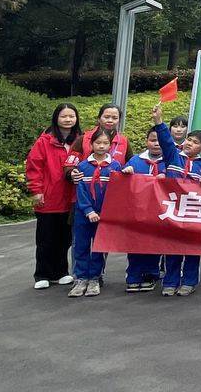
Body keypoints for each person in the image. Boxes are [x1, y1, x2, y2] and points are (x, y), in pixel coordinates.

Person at [152, 104, 201, 297]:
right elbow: (166, 141)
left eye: (195, 142)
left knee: (192, 250)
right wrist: (159, 121)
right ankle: (170, 281)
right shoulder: (173, 157)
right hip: (172, 211)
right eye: (188, 139)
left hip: (194, 213)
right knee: (172, 249)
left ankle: (189, 281)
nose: (189, 143)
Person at [25, 103, 81, 290]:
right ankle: (42, 273)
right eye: (64, 116)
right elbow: (34, 167)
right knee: (46, 238)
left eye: (71, 116)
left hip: (70, 198)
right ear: (56, 118)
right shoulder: (44, 141)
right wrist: (36, 190)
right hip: (48, 198)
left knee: (64, 239)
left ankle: (60, 272)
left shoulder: (79, 141)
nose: (68, 120)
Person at [68, 128, 122, 298]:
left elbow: (116, 192)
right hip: (83, 215)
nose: (101, 146)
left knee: (99, 247)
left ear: (110, 146)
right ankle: (81, 278)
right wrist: (88, 210)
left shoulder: (115, 166)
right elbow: (81, 191)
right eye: (98, 143)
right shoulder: (83, 166)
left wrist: (108, 211)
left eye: (105, 143)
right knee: (82, 247)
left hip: (104, 215)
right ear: (91, 144)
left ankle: (94, 278)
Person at [118, 125, 168, 292]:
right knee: (135, 243)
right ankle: (133, 275)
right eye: (153, 140)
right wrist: (126, 172)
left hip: (159, 212)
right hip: (137, 211)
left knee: (153, 244)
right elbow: (121, 181)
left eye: (160, 141)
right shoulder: (135, 161)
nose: (156, 144)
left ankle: (150, 274)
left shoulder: (170, 162)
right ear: (146, 141)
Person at [66, 103, 132, 169]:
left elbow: (131, 164)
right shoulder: (84, 138)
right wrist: (71, 173)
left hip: (114, 179)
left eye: (115, 118)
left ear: (119, 121)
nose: (110, 120)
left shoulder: (124, 141)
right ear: (99, 119)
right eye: (106, 117)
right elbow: (70, 163)